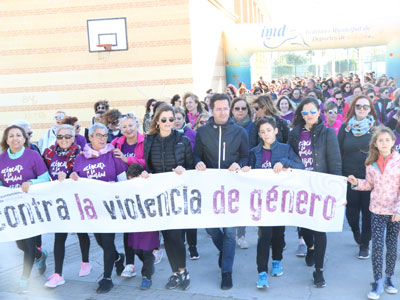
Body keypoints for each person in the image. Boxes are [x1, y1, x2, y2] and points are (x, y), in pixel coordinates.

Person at [194, 93, 249, 290]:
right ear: (211, 109)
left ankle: (227, 272)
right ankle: (224, 252)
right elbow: (196, 156)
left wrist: (240, 163)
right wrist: (197, 162)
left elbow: (246, 157)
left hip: (233, 189)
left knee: (230, 233)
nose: (223, 111)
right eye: (219, 108)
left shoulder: (239, 132)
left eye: (226, 108)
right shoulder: (202, 132)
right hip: (210, 189)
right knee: (210, 228)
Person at [242, 116, 304, 289]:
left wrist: (284, 162)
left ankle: (277, 261)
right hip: (261, 202)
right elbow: (248, 170)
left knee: (278, 234)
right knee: (264, 236)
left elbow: (300, 166)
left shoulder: (285, 149)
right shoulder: (254, 152)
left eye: (269, 130)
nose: (266, 134)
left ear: (276, 131)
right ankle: (261, 272)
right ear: (259, 135)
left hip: (281, 201)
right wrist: (246, 169)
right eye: (262, 132)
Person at [288, 97, 342, 288]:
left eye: (313, 111)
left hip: (321, 186)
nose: (309, 115)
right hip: (300, 186)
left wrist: (337, 190)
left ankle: (318, 270)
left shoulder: (327, 133)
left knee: (319, 228)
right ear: (301, 114)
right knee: (303, 227)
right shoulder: (294, 133)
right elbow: (290, 157)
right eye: (305, 112)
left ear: (319, 112)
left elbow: (335, 161)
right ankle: (310, 247)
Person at [71, 123, 127, 294]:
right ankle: (118, 258)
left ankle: (107, 278)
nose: (103, 138)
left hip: (109, 207)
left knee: (108, 241)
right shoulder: (81, 158)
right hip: (91, 209)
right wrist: (72, 176)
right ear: (90, 137)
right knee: (101, 241)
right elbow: (76, 180)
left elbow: (123, 181)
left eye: (105, 135)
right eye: (99, 135)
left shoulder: (113, 155)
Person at [142, 104, 192, 290]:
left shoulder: (183, 140)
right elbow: (148, 166)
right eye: (164, 119)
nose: (168, 123)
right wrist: (146, 173)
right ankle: (175, 272)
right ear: (157, 120)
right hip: (159, 196)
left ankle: (183, 270)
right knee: (167, 237)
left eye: (172, 119)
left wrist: (183, 169)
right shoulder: (149, 141)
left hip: (178, 195)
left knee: (177, 236)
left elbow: (191, 165)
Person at [347, 126, 400, 300]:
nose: (384, 143)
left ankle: (389, 278)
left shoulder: (399, 162)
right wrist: (356, 183)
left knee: (391, 246)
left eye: (387, 140)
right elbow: (369, 185)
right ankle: (377, 281)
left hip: (395, 212)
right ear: (375, 144)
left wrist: (399, 209)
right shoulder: (370, 164)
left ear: (393, 142)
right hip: (377, 210)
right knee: (377, 246)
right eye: (380, 140)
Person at [0, 125, 50, 293]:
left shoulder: (33, 155)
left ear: (24, 138)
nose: (15, 138)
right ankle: (40, 255)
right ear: (6, 140)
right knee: (20, 244)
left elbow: (45, 178)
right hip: (11, 209)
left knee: (28, 244)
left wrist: (31, 183)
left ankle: (25, 279)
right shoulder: (1, 159)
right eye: (11, 136)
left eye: (19, 135)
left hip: (31, 207)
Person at [42, 124, 91, 288]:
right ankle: (58, 274)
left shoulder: (81, 152)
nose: (64, 140)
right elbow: (42, 173)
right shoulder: (49, 152)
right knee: (59, 237)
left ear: (74, 137)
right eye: (60, 136)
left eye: (68, 136)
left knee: (81, 233)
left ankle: (85, 261)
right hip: (59, 201)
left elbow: (84, 173)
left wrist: (69, 175)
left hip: (77, 199)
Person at [338, 95, 378, 259]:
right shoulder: (345, 128)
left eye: (365, 107)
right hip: (350, 176)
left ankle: (365, 244)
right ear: (353, 108)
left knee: (368, 212)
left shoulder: (375, 129)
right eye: (359, 106)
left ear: (370, 110)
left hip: (370, 177)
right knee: (352, 211)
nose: (362, 109)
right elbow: (338, 151)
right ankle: (356, 231)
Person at [109, 113, 146, 277]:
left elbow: (148, 162)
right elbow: (109, 163)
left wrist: (127, 159)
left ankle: (152, 251)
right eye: (124, 127)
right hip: (124, 191)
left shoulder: (146, 141)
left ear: (137, 124)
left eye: (130, 125)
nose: (128, 129)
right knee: (127, 228)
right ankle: (130, 264)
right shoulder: (115, 143)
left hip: (143, 189)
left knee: (144, 226)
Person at [126, 163, 160, 290]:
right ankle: (149, 267)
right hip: (135, 225)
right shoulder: (127, 188)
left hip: (148, 225)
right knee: (136, 249)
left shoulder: (149, 184)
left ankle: (146, 276)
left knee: (147, 251)